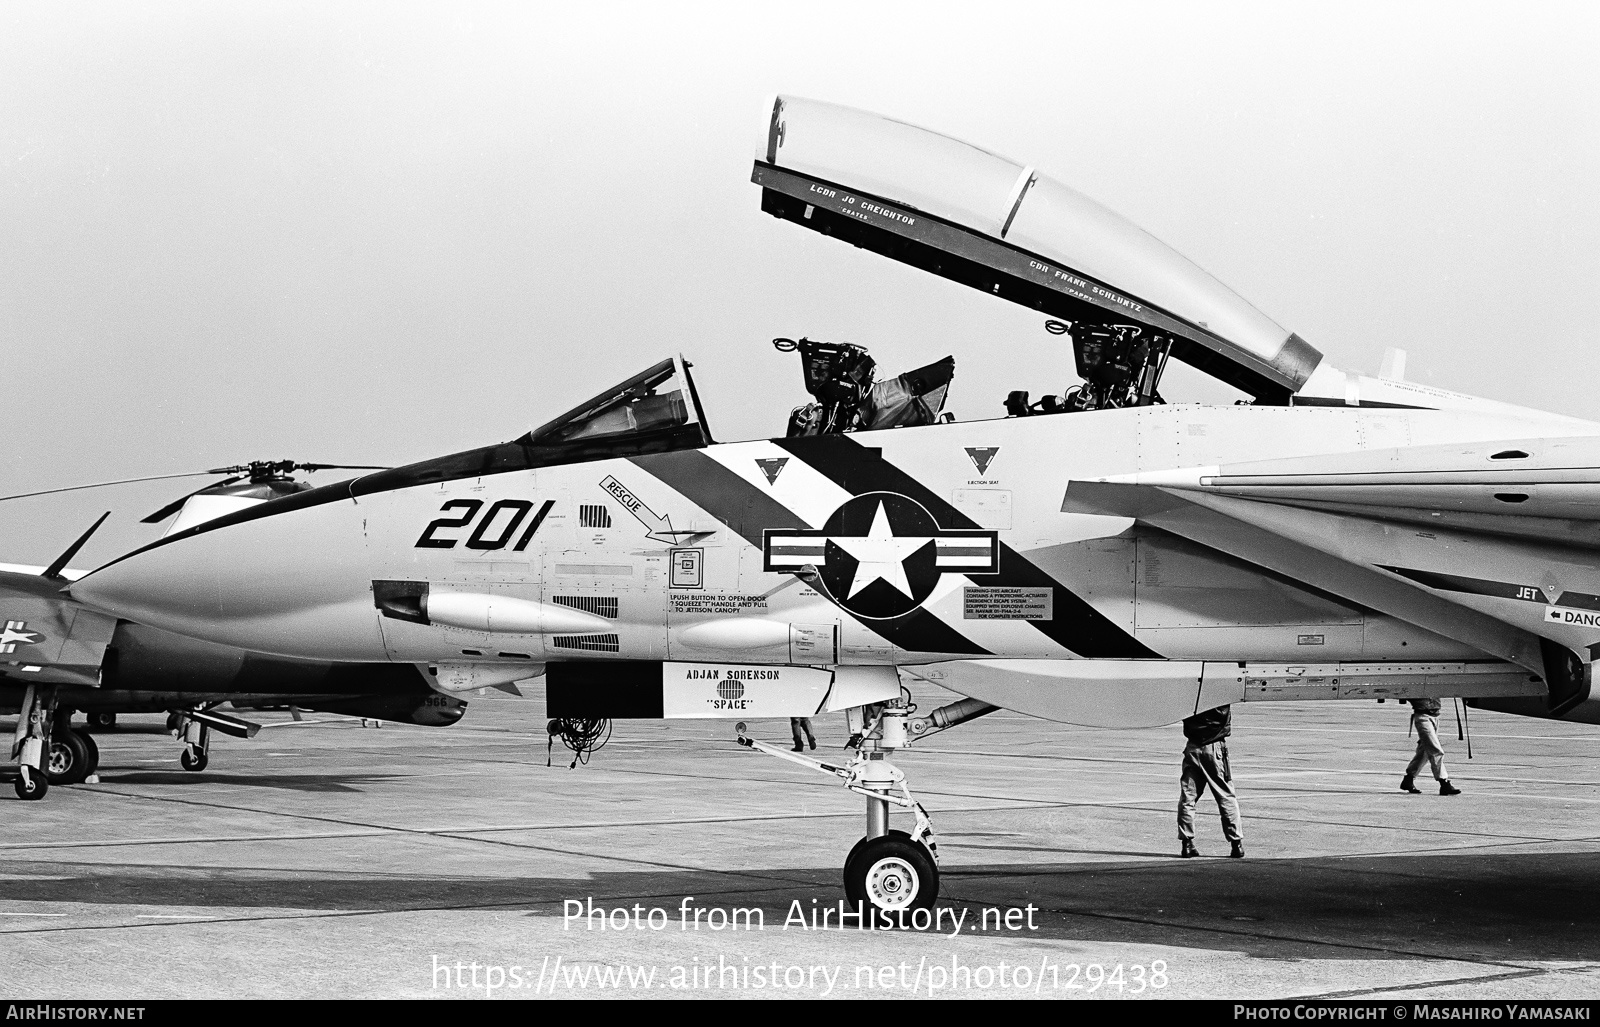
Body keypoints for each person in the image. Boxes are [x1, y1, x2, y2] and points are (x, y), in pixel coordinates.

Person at [1178, 704, 1244, 858]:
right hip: (1214, 746)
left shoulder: (1191, 693)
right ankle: (1236, 843)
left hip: (1193, 746)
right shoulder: (1218, 696)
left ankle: (1186, 843)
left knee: (1188, 797)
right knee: (1225, 795)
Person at [1401, 697, 1462, 795]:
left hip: (1435, 716)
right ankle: (1444, 782)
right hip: (1423, 717)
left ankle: (1408, 780)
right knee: (1435, 750)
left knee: (1424, 751)